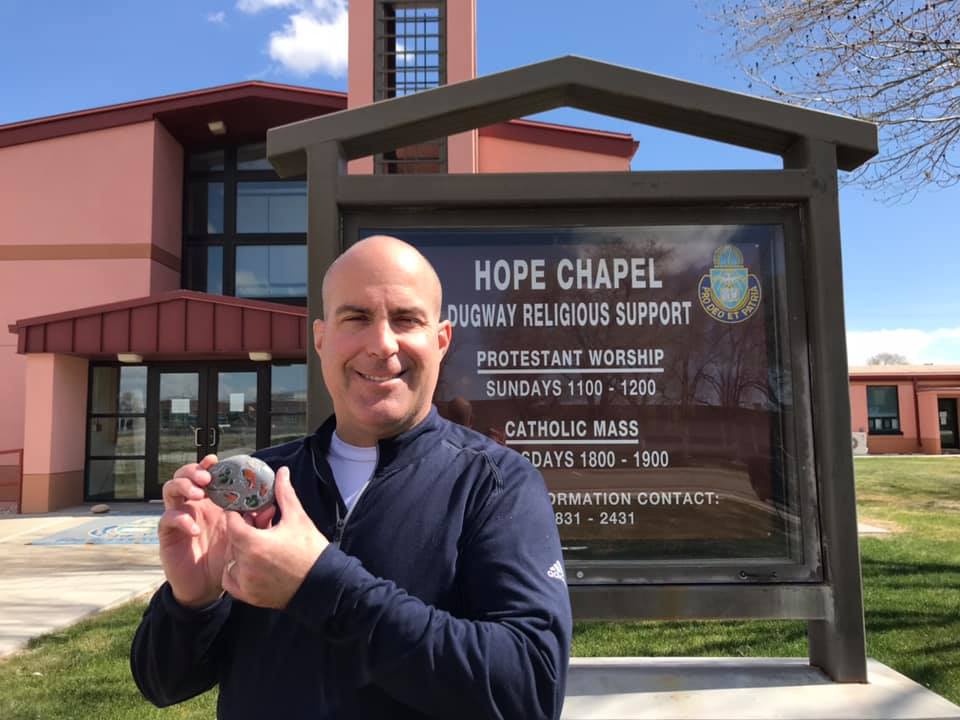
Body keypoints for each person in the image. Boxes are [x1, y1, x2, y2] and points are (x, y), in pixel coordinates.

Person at [130, 235, 572, 719]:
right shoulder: (266, 484)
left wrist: (319, 584)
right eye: (356, 317)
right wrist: (193, 601)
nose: (382, 344)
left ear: (441, 340)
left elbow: (530, 690)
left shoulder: (495, 483)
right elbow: (162, 684)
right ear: (321, 339)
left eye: (406, 319)